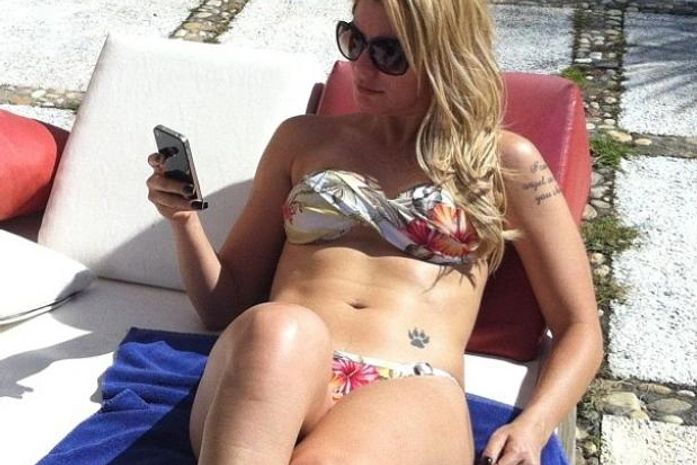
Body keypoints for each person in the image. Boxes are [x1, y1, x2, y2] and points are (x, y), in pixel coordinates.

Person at [146, 0, 603, 464]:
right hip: (283, 369)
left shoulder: (505, 164)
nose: (362, 66)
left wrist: (533, 426)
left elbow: (580, 327)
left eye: (389, 53)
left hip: (411, 387)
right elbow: (223, 307)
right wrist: (183, 221)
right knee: (277, 326)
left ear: (444, 54)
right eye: (355, 40)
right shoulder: (302, 140)